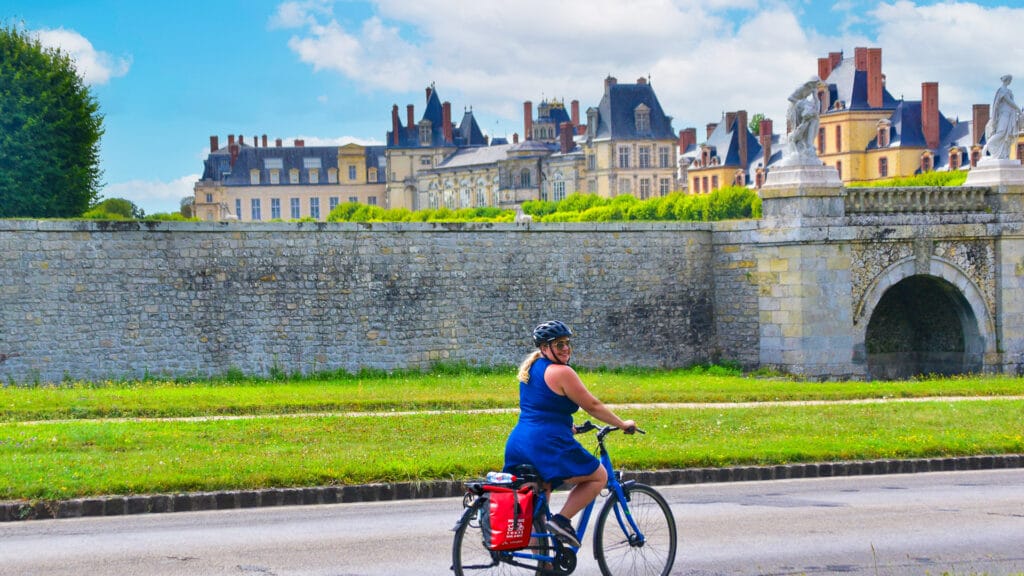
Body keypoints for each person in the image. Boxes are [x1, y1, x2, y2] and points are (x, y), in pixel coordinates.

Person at [503, 320, 637, 547]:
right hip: (546, 445)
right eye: (559, 345)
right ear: (544, 348)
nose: (566, 349)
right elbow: (592, 406)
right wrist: (623, 424)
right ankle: (562, 520)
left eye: (567, 343)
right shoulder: (562, 372)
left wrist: (570, 428)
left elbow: (542, 408)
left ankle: (545, 567)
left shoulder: (530, 369)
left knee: (538, 511)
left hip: (519, 443)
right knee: (599, 476)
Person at [982, 74, 1021, 161]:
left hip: (1009, 115)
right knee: (1001, 132)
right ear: (1007, 80)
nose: (1010, 81)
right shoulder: (1002, 90)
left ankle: (1003, 153)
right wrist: (1018, 108)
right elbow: (1009, 101)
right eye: (1010, 80)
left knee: (1006, 135)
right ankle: (987, 147)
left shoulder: (1008, 91)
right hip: (1004, 114)